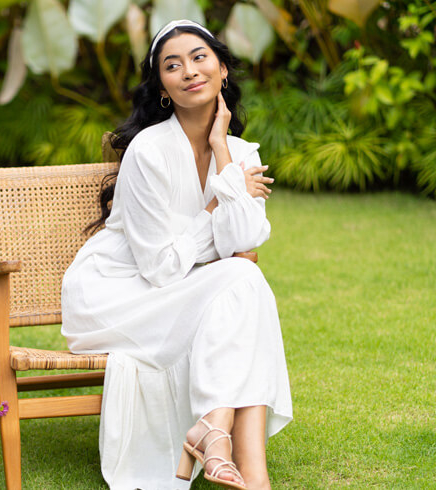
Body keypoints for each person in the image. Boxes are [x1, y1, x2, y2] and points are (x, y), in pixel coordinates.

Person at [61, 19, 292, 490]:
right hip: (117, 296)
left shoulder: (241, 152)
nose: (189, 71)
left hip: (182, 290)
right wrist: (219, 201)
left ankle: (234, 454)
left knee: (245, 283)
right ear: (162, 87)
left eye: (199, 58)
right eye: (172, 65)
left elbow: (245, 238)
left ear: (222, 69)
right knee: (243, 282)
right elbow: (162, 267)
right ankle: (231, 451)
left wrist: (222, 153)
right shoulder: (148, 151)